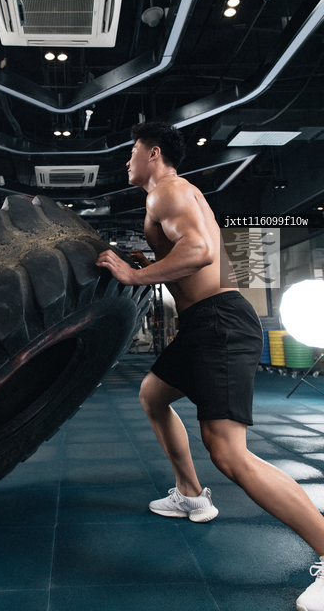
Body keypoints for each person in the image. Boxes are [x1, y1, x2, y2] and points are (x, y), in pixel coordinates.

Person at [96, 120, 324, 611]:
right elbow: (189, 252)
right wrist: (145, 262)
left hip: (219, 322)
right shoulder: (175, 195)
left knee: (229, 454)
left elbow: (199, 252)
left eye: (132, 152)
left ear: (153, 153)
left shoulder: (167, 191)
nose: (126, 162)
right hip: (204, 323)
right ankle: (191, 493)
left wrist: (134, 274)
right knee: (153, 395)